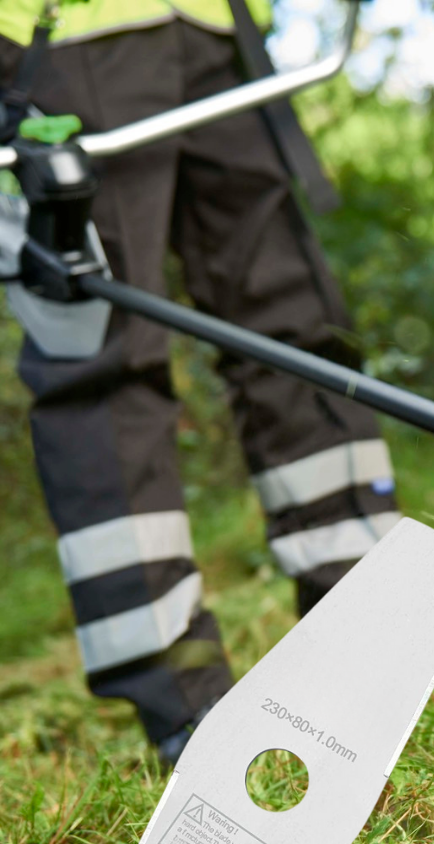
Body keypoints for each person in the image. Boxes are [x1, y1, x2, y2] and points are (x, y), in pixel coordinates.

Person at [0, 0, 402, 763]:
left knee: (296, 330)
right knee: (102, 356)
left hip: (213, 29)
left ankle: (360, 616)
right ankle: (183, 701)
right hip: (56, 39)